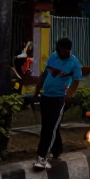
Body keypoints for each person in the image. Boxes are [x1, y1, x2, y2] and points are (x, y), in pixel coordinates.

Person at [33, 37, 82, 170]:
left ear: (67, 50)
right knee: (49, 125)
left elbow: (76, 81)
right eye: (58, 49)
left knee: (50, 128)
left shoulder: (74, 63)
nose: (58, 51)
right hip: (46, 96)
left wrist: (69, 95)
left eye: (61, 49)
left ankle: (42, 157)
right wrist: (36, 92)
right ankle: (57, 150)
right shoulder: (53, 57)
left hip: (60, 99)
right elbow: (44, 75)